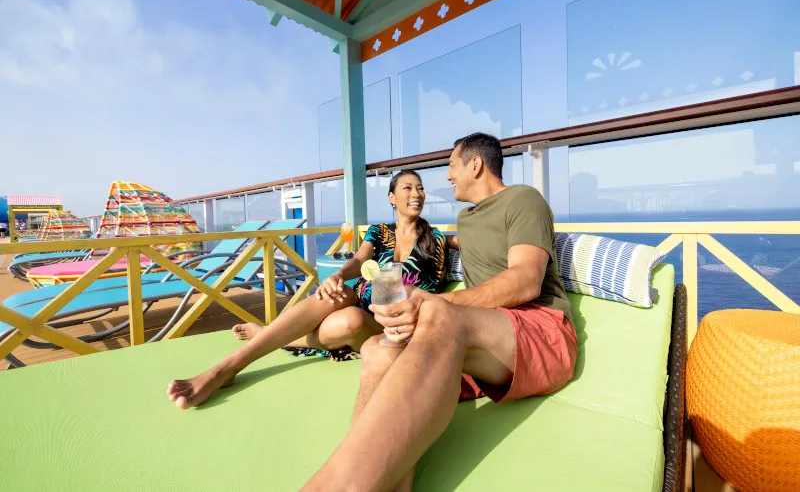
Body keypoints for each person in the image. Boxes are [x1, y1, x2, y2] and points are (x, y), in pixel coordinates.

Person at [300, 133, 578, 492]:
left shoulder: (523, 199)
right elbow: (449, 243)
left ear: (475, 165)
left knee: (438, 314)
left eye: (451, 165)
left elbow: (526, 281)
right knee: (378, 348)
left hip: (539, 332)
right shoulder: (466, 219)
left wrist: (434, 303)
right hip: (481, 340)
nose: (447, 176)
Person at [166, 170, 449, 409]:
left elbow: (437, 282)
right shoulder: (379, 231)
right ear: (391, 197)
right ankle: (228, 368)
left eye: (420, 188)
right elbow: (361, 260)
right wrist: (337, 275)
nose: (417, 193)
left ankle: (261, 338)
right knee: (339, 296)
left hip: (392, 326)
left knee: (350, 321)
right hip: (361, 302)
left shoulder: (435, 238)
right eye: (407, 188)